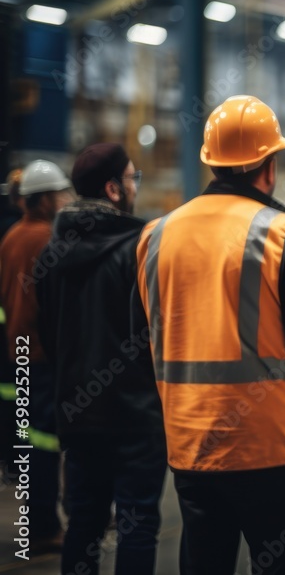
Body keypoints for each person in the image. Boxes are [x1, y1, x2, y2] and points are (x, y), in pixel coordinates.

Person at [133, 95, 285, 575]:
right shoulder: (278, 233)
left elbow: (140, 336)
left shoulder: (156, 236)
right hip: (273, 443)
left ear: (211, 163)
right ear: (269, 166)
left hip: (190, 442)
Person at [36, 144, 166, 574]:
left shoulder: (51, 257)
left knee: (83, 524)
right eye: (132, 179)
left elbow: (49, 336)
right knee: (137, 524)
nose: (134, 187)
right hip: (136, 417)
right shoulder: (141, 248)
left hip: (78, 413)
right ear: (113, 189)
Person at [0, 159, 73, 551]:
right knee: (45, 445)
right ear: (43, 200)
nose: (64, 200)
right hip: (43, 357)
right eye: (59, 194)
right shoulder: (49, 238)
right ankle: (45, 528)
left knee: (30, 441)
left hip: (19, 353)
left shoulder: (11, 237)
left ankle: (40, 518)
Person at [0, 168, 24, 481]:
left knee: (10, 400)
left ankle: (10, 462)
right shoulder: (18, 232)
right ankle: (17, 464)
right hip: (18, 332)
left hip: (8, 330)